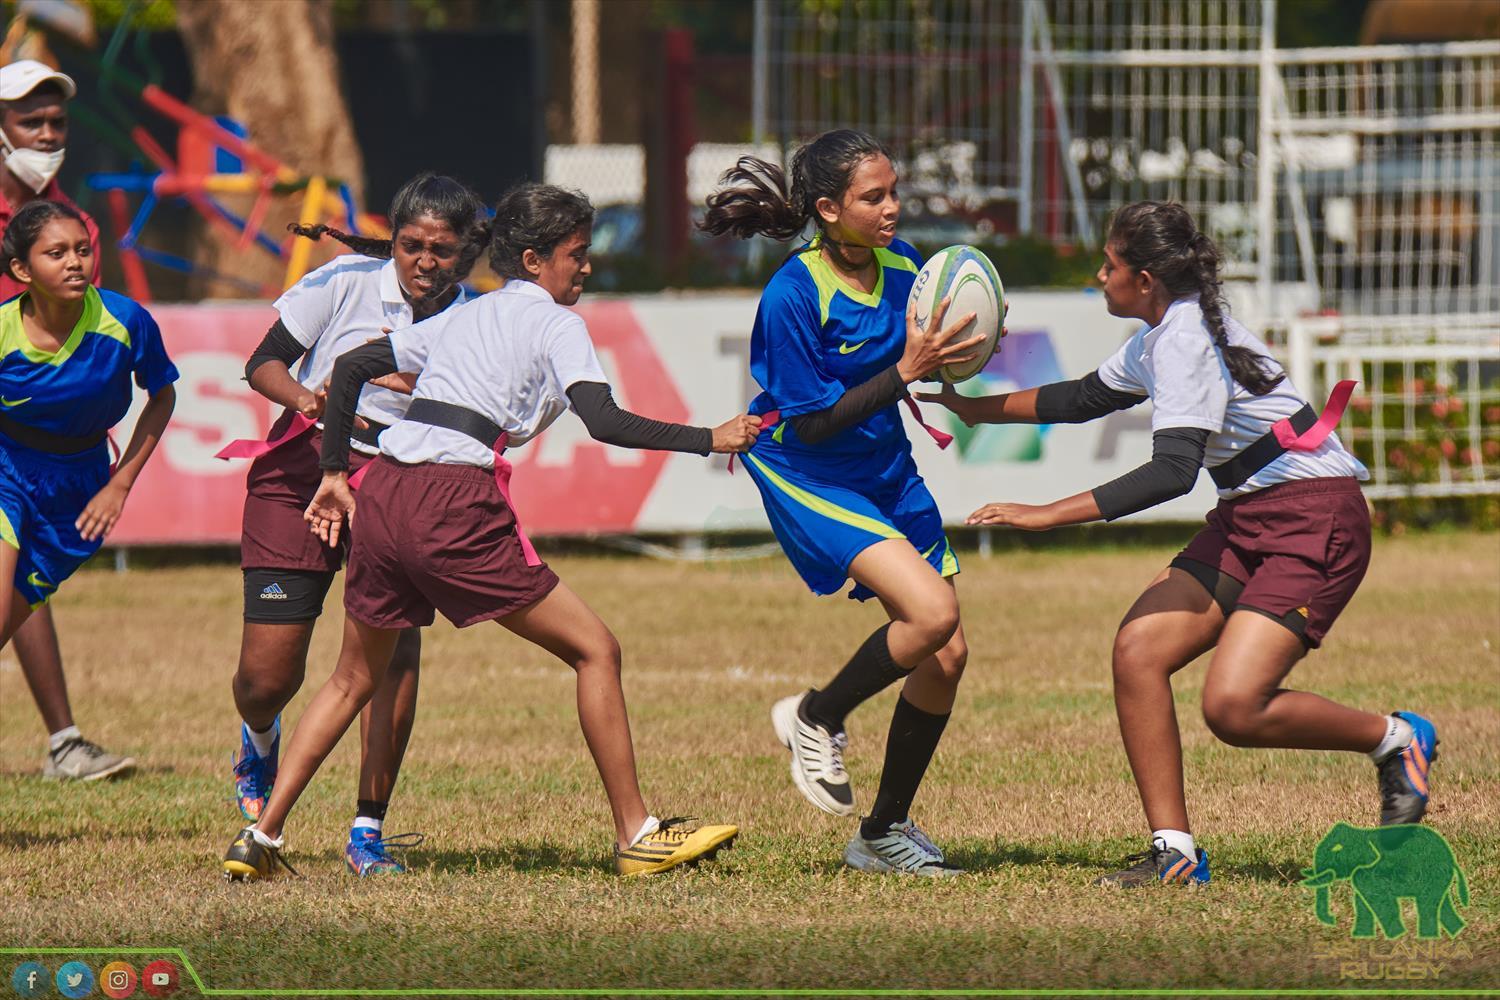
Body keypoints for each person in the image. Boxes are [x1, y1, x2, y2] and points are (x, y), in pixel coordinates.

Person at [220, 182, 756, 881]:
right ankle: (637, 833)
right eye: (578, 254)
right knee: (597, 650)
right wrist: (708, 437)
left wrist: (332, 473)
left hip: (380, 493)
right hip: (451, 499)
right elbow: (606, 421)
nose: (587, 268)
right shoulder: (555, 322)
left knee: (354, 677)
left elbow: (352, 366)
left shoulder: (471, 314)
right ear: (535, 259)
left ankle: (259, 839)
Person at [916, 200, 1438, 887]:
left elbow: (1172, 473)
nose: (1099, 276)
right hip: (1250, 515)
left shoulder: (1186, 340)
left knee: (1233, 707)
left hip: (1314, 520)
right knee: (1139, 651)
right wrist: (972, 405)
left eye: (1109, 266)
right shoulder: (1163, 331)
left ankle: (1395, 739)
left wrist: (1045, 515)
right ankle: (1175, 854)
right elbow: (1078, 400)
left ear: (1146, 281)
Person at [699, 129, 988, 876]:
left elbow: (924, 361)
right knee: (933, 614)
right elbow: (814, 418)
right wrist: (905, 369)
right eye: (874, 197)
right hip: (808, 466)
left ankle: (882, 833)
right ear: (827, 209)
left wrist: (967, 344)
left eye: (894, 192)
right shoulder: (793, 293)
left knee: (945, 655)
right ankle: (815, 715)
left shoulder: (905, 269)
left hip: (884, 464)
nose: (893, 208)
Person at [223, 173, 489, 877]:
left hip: (401, 482)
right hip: (300, 473)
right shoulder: (344, 281)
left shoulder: (477, 318)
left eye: (441, 249)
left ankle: (367, 830)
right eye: (411, 246)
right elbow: (262, 364)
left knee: (391, 659)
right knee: (264, 677)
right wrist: (319, 402)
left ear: (463, 253)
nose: (424, 262)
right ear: (392, 241)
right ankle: (257, 737)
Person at [0, 203, 177, 743]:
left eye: (82, 249)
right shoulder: (3, 329)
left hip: (79, 488)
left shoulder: (126, 322)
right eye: (56, 253)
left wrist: (119, 483)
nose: (75, 262)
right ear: (22, 271)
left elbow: (162, 396)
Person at [1, 58, 124, 781]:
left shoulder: (71, 225)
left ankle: (63, 742)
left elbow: (82, 333)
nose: (48, 134)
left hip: (38, 443)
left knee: (20, 579)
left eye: (57, 122)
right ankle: (65, 741)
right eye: (30, 122)